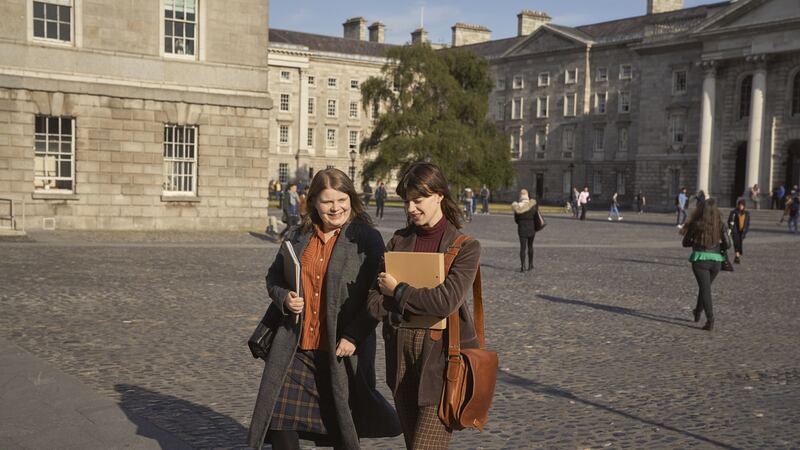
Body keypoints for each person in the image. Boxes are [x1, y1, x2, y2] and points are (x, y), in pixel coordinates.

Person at [247, 169, 401, 450]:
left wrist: (354, 335)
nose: (336, 208)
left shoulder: (366, 239)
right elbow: (274, 277)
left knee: (340, 429)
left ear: (351, 199)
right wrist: (284, 297)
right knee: (279, 423)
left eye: (342, 199)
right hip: (296, 348)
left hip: (341, 351)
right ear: (313, 202)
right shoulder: (297, 234)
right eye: (328, 201)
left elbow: (377, 295)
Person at [367, 163, 482, 450]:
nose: (411, 207)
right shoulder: (398, 240)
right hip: (401, 353)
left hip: (442, 359)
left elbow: (445, 301)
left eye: (418, 200)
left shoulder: (464, 246)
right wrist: (406, 301)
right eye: (407, 201)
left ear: (439, 195)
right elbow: (373, 304)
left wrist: (398, 291)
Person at [680, 197, 731, 332]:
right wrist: (716, 244)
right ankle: (697, 312)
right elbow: (728, 244)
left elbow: (685, 243)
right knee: (705, 288)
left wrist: (697, 242)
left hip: (701, 260)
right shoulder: (720, 224)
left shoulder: (697, 224)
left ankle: (710, 320)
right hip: (716, 262)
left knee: (705, 289)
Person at [512, 189, 537, 272]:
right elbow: (536, 217)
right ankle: (530, 265)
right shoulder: (532, 206)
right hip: (531, 228)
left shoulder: (517, 207)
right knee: (530, 246)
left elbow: (516, 220)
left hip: (522, 229)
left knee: (522, 248)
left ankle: (523, 266)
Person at [727, 199, 750, 264]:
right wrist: (730, 227)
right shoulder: (733, 212)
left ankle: (737, 255)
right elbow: (729, 221)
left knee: (740, 243)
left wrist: (746, 230)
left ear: (744, 206)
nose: (741, 206)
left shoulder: (747, 213)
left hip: (742, 231)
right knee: (736, 243)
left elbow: (747, 223)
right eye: (740, 205)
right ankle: (737, 256)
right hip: (735, 231)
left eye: (742, 205)